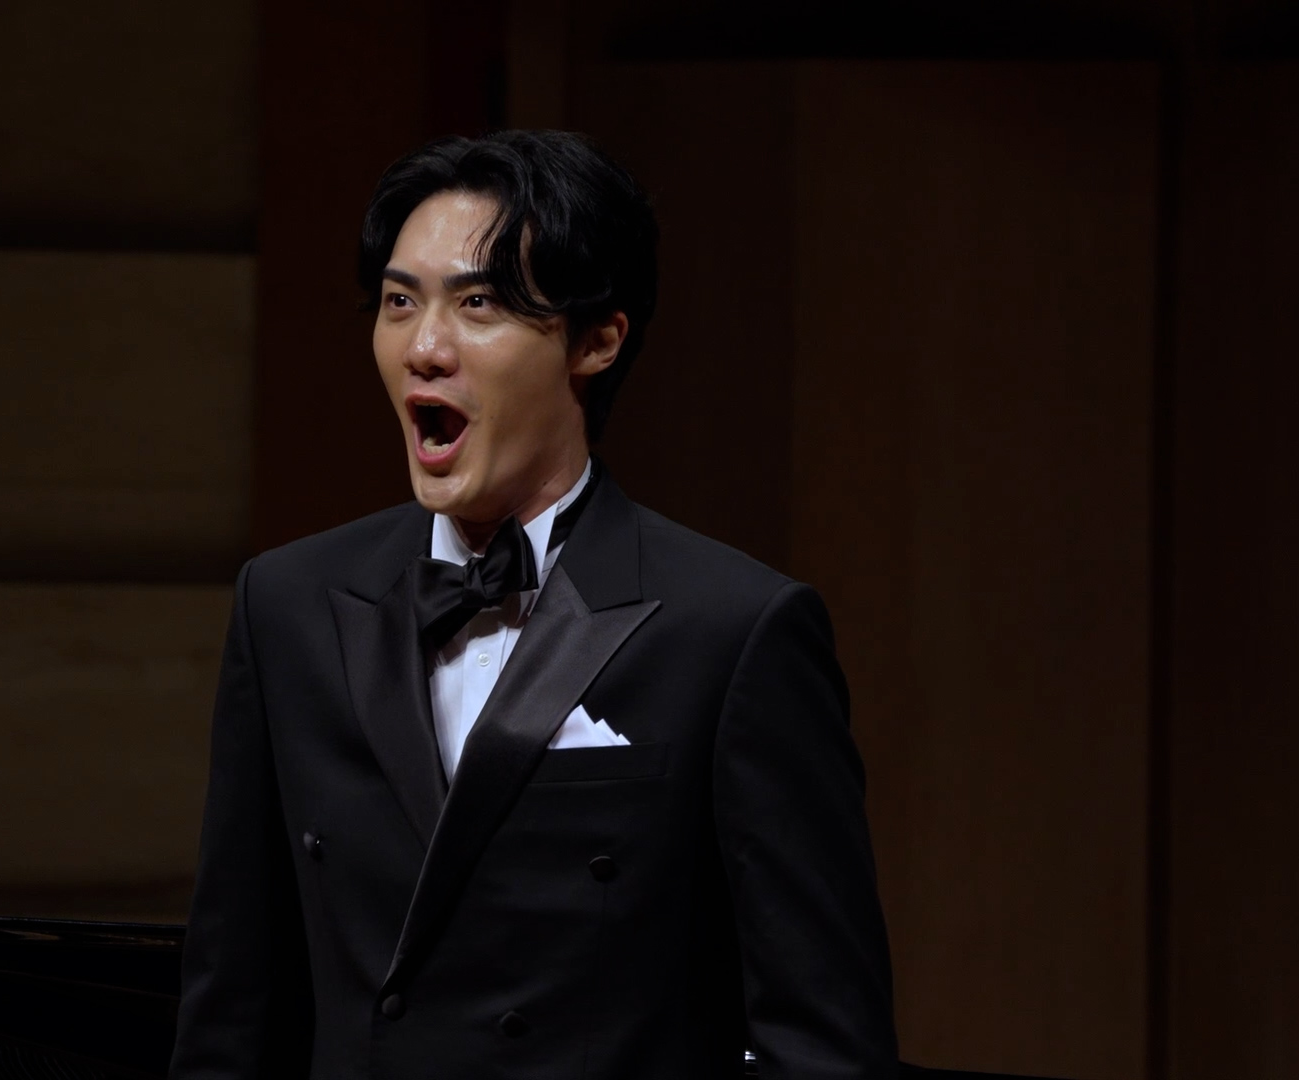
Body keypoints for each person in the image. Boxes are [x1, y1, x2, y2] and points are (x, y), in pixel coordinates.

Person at [170, 130, 897, 1080]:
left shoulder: (734, 630)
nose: (424, 348)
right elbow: (232, 1009)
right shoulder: (288, 604)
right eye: (399, 302)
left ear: (596, 340)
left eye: (479, 304)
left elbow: (825, 1044)